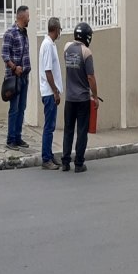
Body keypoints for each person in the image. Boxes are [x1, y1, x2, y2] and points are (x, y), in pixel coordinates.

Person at [62, 22, 98, 173]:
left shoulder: (66, 48)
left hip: (69, 99)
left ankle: (65, 162)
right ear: (87, 37)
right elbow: (91, 77)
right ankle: (78, 163)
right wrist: (95, 96)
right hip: (82, 99)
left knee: (68, 130)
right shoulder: (86, 52)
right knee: (82, 131)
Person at [1, 5, 31, 151]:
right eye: (28, 16)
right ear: (21, 17)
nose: (29, 18)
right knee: (14, 109)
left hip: (24, 77)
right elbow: (5, 55)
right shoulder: (10, 33)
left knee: (22, 108)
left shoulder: (24, 33)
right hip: (14, 78)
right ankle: (10, 139)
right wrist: (14, 67)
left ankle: (18, 137)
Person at [39, 17, 63, 170]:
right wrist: (55, 91)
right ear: (55, 29)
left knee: (51, 126)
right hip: (49, 93)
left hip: (51, 92)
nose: (60, 32)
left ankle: (49, 154)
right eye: (60, 29)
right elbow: (48, 71)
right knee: (49, 126)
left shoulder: (50, 44)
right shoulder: (47, 45)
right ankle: (46, 158)